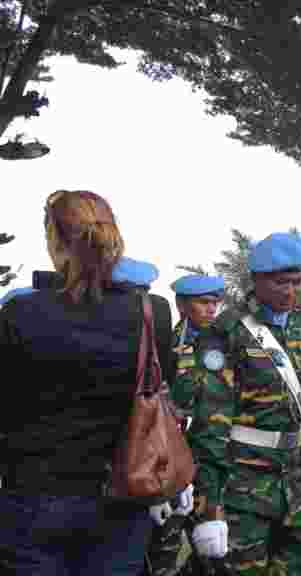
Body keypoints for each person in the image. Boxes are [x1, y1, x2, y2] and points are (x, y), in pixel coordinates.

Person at [0, 190, 177, 574]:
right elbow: (159, 392)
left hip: (34, 497)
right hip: (123, 494)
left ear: (55, 241)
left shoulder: (20, 313)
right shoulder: (154, 314)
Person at [180, 232, 301, 574]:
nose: (289, 291)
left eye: (296, 281)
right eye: (279, 282)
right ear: (256, 280)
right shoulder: (228, 331)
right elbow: (211, 423)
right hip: (242, 487)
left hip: (293, 484)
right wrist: (209, 507)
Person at [147, 273, 226, 576]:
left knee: (217, 554)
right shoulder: (165, 347)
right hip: (174, 467)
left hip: (211, 463)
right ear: (181, 305)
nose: (211, 309)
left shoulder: (226, 345)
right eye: (203, 303)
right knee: (162, 556)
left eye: (214, 303)